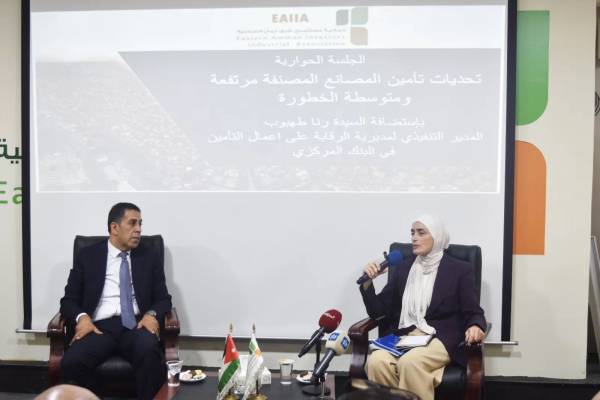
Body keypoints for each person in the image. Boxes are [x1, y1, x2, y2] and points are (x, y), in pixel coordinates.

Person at [359, 215, 486, 400]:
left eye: (421, 232)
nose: (414, 238)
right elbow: (378, 311)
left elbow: (473, 311)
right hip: (405, 335)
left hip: (440, 337)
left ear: (437, 236)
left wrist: (476, 325)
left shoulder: (460, 269)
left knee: (410, 362)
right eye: (412, 233)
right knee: (376, 362)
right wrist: (367, 283)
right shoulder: (403, 268)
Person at [59, 202, 172, 400]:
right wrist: (82, 317)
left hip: (137, 325)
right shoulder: (88, 256)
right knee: (72, 362)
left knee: (149, 352)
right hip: (98, 327)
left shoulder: (149, 256)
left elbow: (163, 299)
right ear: (114, 227)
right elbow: (68, 301)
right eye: (132, 223)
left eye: (140, 224)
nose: (139, 229)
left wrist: (151, 314)